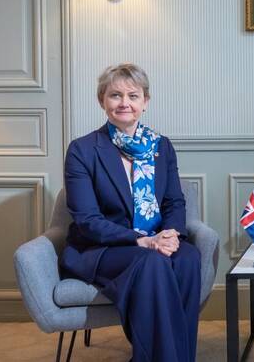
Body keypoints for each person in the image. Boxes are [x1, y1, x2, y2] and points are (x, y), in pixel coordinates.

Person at [59, 63, 201, 362]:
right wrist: (142, 240)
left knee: (188, 258)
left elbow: (174, 202)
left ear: (145, 102)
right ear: (102, 100)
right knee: (153, 263)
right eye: (115, 95)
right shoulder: (82, 150)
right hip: (104, 248)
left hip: (156, 240)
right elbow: (87, 220)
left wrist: (171, 234)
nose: (124, 103)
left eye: (133, 96)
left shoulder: (161, 146)